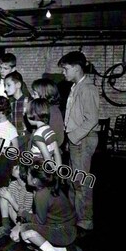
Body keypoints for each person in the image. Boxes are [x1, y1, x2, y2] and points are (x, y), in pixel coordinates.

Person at [57, 51, 99, 234]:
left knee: (81, 182)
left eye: (65, 69)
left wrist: (73, 137)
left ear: (76, 68)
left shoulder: (87, 89)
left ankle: (85, 220)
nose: (63, 73)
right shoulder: (76, 87)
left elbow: (92, 120)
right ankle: (76, 216)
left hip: (82, 139)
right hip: (76, 139)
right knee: (74, 181)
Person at [10, 164, 85, 251]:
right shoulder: (51, 187)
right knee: (30, 234)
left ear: (35, 181)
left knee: (25, 231)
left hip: (64, 233)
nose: (26, 175)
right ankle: (65, 250)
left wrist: (23, 213)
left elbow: (40, 221)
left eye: (28, 174)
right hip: (68, 229)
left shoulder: (41, 195)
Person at [0, 163, 33, 239]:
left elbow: (25, 213)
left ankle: (18, 228)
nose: (13, 167)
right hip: (16, 214)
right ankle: (5, 226)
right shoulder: (13, 184)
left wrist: (10, 198)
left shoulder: (29, 190)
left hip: (25, 218)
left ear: (23, 172)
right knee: (3, 193)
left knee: (7, 195)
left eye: (17, 168)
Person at [26, 98, 62, 167]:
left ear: (33, 114)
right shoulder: (49, 129)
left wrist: (52, 171)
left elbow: (47, 159)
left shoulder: (38, 135)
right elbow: (56, 153)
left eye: (27, 113)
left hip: (39, 168)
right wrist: (58, 170)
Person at [31, 78, 65, 148]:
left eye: (35, 94)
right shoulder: (43, 109)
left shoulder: (53, 111)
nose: (32, 96)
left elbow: (58, 137)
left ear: (44, 95)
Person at [4, 70, 32, 152]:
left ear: (18, 85)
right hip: (14, 139)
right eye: (5, 85)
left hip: (26, 139)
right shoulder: (10, 102)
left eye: (8, 85)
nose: (5, 88)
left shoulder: (28, 101)